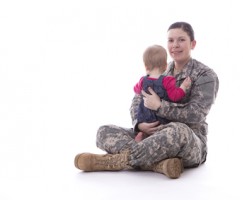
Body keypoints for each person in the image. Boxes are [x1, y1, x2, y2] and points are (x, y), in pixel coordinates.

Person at [74, 22, 219, 179]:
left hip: (187, 141)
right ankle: (158, 164)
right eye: (171, 40)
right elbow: (137, 101)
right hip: (149, 135)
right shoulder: (160, 68)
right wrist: (139, 124)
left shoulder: (205, 76)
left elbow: (196, 114)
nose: (175, 45)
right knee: (104, 131)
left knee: (178, 131)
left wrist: (160, 106)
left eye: (181, 40)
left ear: (193, 44)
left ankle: (114, 161)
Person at [134, 44, 191, 142]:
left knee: (147, 131)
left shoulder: (142, 80)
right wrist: (183, 87)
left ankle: (142, 135)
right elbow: (175, 97)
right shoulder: (167, 80)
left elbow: (136, 90)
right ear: (165, 66)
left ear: (146, 66)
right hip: (160, 120)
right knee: (164, 130)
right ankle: (151, 140)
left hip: (144, 117)